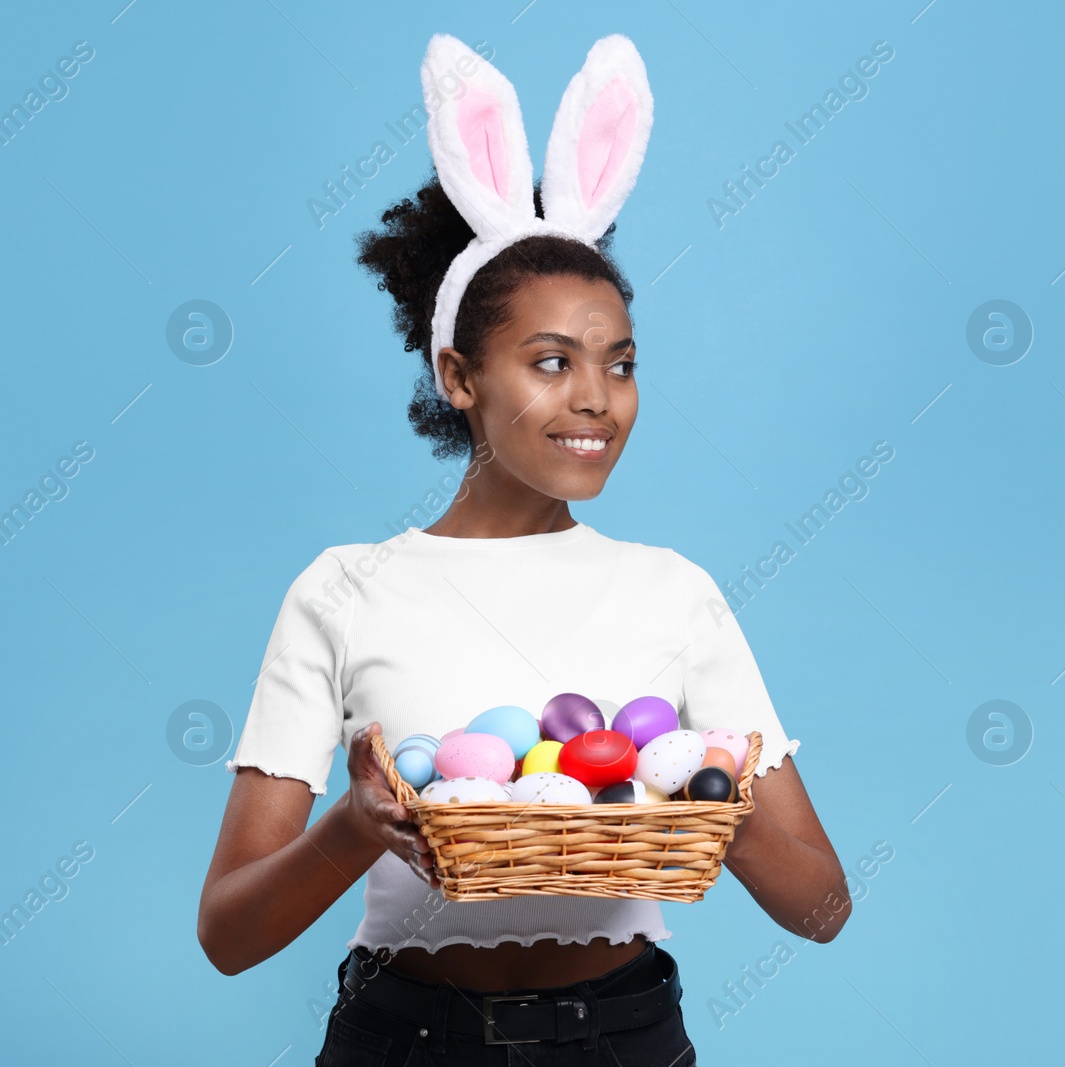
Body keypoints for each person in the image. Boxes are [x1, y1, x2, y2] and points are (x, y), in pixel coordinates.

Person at [196, 33, 850, 1066]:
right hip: (402, 1038)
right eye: (552, 361)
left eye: (620, 363)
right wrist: (357, 825)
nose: (597, 397)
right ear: (459, 375)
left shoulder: (672, 594)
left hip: (624, 1037)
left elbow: (821, 909)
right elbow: (228, 935)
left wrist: (703, 792)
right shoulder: (344, 591)